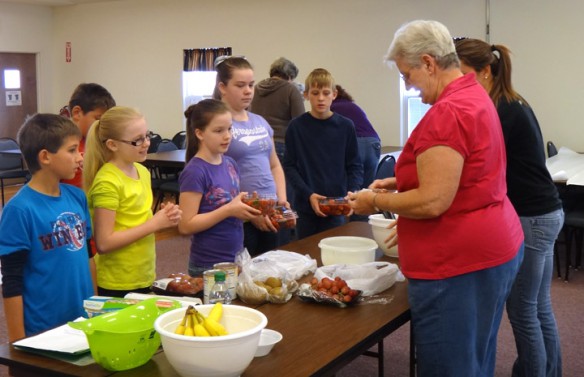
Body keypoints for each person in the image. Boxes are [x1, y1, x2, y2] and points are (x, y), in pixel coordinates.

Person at [347, 20, 524, 376]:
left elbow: (433, 201)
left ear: (428, 63)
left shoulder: (447, 112)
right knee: (475, 356)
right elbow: (466, 171)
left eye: (406, 74)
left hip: (458, 262)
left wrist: (375, 202)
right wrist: (400, 183)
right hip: (491, 245)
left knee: (452, 365)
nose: (407, 85)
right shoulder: (474, 94)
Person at [456, 38, 564, 377]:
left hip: (531, 217)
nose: (457, 84)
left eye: (462, 76)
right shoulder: (511, 102)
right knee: (538, 307)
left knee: (522, 311)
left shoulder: (499, 110)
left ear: (485, 72)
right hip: (546, 213)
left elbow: (478, 168)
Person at [0, 114, 93, 341]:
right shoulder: (19, 210)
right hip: (43, 329)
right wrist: (17, 344)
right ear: (45, 157)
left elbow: (89, 256)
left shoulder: (77, 196)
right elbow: (11, 280)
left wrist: (94, 309)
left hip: (82, 319)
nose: (80, 157)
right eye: (72, 150)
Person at [83, 106, 182, 298]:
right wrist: (154, 223)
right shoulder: (107, 182)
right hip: (117, 281)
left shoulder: (142, 171)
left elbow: (135, 222)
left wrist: (165, 217)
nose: (146, 143)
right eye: (137, 140)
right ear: (112, 145)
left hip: (142, 274)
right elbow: (104, 243)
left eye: (147, 136)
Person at [214, 56, 291, 256]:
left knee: (270, 274)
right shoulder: (217, 125)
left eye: (251, 84)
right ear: (222, 87)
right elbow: (216, 176)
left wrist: (281, 200)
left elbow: (274, 165)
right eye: (240, 85)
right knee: (244, 278)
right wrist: (251, 211)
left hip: (271, 212)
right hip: (241, 217)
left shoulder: (260, 122)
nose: (248, 91)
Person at [178, 99, 262, 276]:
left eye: (230, 129)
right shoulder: (195, 171)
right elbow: (186, 225)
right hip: (208, 266)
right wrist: (229, 210)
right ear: (199, 133)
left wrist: (250, 205)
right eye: (219, 131)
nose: (227, 136)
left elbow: (228, 206)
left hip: (235, 260)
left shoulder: (230, 163)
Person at [283, 68, 363, 239]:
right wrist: (308, 194)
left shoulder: (346, 126)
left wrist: (351, 194)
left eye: (326, 93)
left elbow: (355, 166)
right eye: (315, 93)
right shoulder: (296, 127)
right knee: (307, 255)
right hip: (306, 205)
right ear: (306, 95)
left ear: (334, 94)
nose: (320, 98)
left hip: (336, 206)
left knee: (334, 256)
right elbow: (289, 166)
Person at [250, 57, 305, 233]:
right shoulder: (290, 89)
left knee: (262, 195)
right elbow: (299, 123)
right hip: (281, 146)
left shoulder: (256, 88)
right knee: (283, 198)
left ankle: (262, 226)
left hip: (257, 146)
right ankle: (282, 236)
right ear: (290, 75)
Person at [61, 83, 116, 188]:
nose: (102, 125)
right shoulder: (60, 144)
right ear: (77, 113)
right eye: (98, 119)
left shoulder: (100, 143)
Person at [331, 84, 381, 189]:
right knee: (367, 189)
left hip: (357, 142)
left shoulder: (332, 108)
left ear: (334, 95)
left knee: (352, 186)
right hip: (374, 143)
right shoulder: (352, 105)